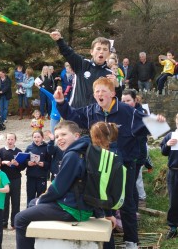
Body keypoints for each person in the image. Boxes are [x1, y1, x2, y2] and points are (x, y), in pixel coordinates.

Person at [54, 77, 166, 248]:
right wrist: (61, 102)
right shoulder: (92, 111)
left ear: (113, 94)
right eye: (97, 91)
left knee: (126, 203)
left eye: (103, 91)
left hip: (124, 166)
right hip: (100, 165)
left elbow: (152, 127)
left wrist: (158, 122)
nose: (100, 94)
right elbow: (72, 115)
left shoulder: (127, 111)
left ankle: (131, 241)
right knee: (103, 202)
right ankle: (107, 240)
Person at [14, 121, 114, 249]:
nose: (59, 139)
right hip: (84, 207)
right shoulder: (88, 150)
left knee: (20, 218)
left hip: (71, 209)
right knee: (32, 203)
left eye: (64, 134)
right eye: (57, 137)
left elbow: (58, 188)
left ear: (76, 136)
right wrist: (107, 213)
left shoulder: (73, 155)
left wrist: (42, 200)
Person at [49, 31, 120, 108]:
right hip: (75, 112)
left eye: (105, 49)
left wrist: (117, 86)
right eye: (98, 49)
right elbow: (68, 53)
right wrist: (59, 40)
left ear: (109, 54)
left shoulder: (110, 74)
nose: (101, 52)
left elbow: (116, 100)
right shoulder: (82, 64)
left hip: (96, 115)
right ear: (91, 52)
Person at [0, 133, 26, 229]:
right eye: (8, 139)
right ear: (6, 140)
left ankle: (14, 222)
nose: (10, 141)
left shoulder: (19, 151)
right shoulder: (1, 151)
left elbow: (22, 167)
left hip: (16, 179)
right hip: (4, 180)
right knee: (5, 201)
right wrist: (3, 162)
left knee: (16, 201)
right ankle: (3, 222)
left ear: (15, 140)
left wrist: (17, 164)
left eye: (12, 139)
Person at [160, 113, 178, 240]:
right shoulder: (170, 135)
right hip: (173, 171)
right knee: (173, 200)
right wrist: (167, 145)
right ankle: (173, 227)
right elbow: (163, 152)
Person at [24, 130, 51, 206]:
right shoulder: (29, 148)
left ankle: (38, 214)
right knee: (30, 196)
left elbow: (50, 162)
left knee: (41, 197)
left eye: (38, 137)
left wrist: (44, 164)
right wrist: (28, 163)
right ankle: (29, 213)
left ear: (42, 138)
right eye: (34, 137)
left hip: (42, 176)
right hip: (31, 176)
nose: (36, 139)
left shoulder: (46, 148)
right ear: (32, 138)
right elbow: (24, 160)